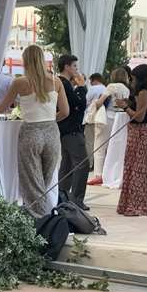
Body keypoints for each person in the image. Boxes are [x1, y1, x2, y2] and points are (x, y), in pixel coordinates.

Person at [0, 45, 69, 218]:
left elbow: (1, 108)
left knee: (31, 178)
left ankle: (36, 217)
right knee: (47, 178)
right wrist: (48, 120)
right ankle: (48, 215)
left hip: (30, 132)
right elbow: (65, 112)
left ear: (25, 61)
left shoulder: (20, 82)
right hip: (51, 132)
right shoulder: (56, 81)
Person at [115, 65, 147, 216]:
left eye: (134, 79)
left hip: (140, 133)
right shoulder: (143, 93)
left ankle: (136, 204)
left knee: (137, 170)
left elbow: (139, 117)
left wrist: (124, 107)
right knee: (132, 167)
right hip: (136, 133)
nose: (132, 81)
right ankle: (130, 203)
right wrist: (129, 103)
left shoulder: (144, 93)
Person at [56, 55, 90, 210]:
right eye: (74, 66)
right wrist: (81, 88)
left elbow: (77, 104)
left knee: (67, 164)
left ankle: (62, 197)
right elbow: (79, 104)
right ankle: (76, 200)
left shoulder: (62, 83)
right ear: (67, 66)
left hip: (65, 128)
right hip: (71, 129)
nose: (76, 69)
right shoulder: (64, 84)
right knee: (82, 163)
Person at [88, 68, 131, 186]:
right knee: (116, 147)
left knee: (100, 146)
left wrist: (95, 104)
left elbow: (100, 102)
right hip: (120, 118)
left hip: (108, 117)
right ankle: (114, 174)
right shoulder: (126, 89)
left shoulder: (111, 86)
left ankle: (98, 174)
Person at [83, 73, 106, 170]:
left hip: (91, 118)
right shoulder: (106, 89)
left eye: (91, 82)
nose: (91, 84)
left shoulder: (93, 89)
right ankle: (98, 164)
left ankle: (89, 164)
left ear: (95, 81)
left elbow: (85, 101)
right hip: (102, 118)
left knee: (89, 142)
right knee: (99, 142)